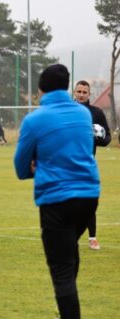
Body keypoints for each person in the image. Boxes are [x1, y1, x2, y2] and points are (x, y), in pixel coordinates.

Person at [14, 64, 99, 319]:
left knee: (62, 270)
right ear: (67, 88)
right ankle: (67, 313)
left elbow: (21, 167)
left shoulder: (34, 120)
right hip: (89, 197)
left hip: (57, 200)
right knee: (70, 256)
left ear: (40, 90)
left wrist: (38, 162)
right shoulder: (84, 113)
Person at [73, 80, 111, 250]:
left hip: (86, 165)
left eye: (84, 92)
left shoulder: (97, 113)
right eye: (79, 91)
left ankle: (92, 238)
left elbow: (107, 137)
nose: (81, 94)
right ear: (74, 92)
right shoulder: (66, 111)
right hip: (65, 165)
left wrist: (98, 138)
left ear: (89, 94)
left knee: (89, 203)